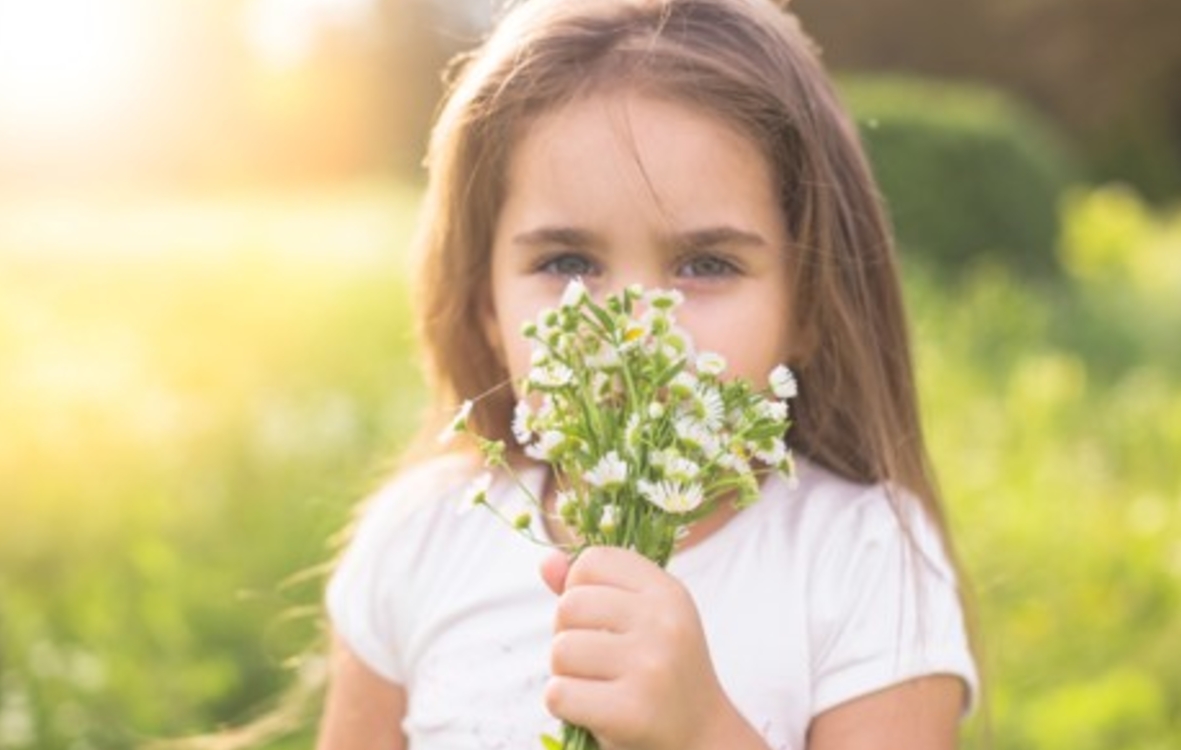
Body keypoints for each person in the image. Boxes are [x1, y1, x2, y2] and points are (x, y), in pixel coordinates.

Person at [317, 0, 980, 748]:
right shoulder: (421, 541)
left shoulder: (862, 557)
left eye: (707, 264)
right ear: (487, 310)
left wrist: (701, 731)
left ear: (808, 308)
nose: (633, 326)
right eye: (568, 262)